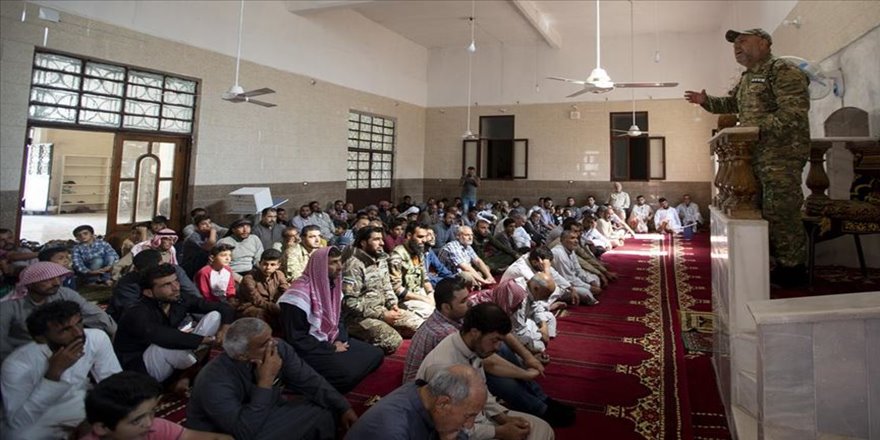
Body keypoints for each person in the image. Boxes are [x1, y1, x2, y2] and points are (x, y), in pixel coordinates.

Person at [685, 28, 810, 286]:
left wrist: (756, 129)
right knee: (763, 208)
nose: (737, 46)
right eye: (734, 44)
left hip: (781, 153)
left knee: (781, 209)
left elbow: (794, 112)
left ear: (764, 43)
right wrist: (705, 101)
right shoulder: (748, 78)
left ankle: (794, 269)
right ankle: (775, 263)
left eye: (743, 40)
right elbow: (732, 104)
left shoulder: (782, 70)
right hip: (757, 153)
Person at [185, 318, 358, 440]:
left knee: (323, 408)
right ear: (242, 356)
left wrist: (343, 407)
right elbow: (244, 432)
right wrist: (265, 382)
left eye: (271, 337)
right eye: (263, 344)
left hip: (265, 414)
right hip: (227, 433)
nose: (273, 344)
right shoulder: (213, 380)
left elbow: (309, 380)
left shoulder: (278, 348)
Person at [415, 303, 555, 440]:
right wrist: (498, 432)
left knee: (541, 428)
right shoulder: (443, 366)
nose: (498, 347)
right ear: (475, 333)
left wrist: (503, 418)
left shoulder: (472, 348)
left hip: (479, 419)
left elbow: (482, 393)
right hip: (458, 430)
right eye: (495, 340)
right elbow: (449, 429)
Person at [1, 300, 121, 439]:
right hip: (40, 417)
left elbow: (113, 384)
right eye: (65, 330)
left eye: (79, 323)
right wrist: (53, 375)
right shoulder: (18, 364)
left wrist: (93, 419)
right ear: (41, 338)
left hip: (82, 406)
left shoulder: (96, 338)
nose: (78, 333)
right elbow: (19, 421)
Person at [278, 247, 383, 393]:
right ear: (320, 266)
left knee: (376, 355)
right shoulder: (295, 298)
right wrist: (331, 348)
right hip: (309, 349)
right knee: (346, 376)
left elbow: (338, 319)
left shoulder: (331, 286)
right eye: (333, 263)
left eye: (340, 261)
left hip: (331, 340)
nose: (340, 267)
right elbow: (297, 339)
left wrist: (339, 339)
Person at [113, 264, 234, 383]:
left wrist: (224, 330)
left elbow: (223, 308)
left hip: (174, 352)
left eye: (176, 281)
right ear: (149, 292)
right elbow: (163, 336)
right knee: (164, 346)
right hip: (140, 367)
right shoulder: (137, 311)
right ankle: (192, 372)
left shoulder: (178, 298)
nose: (176, 287)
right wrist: (209, 340)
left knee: (215, 315)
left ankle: (187, 372)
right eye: (167, 285)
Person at [0, 262, 116, 361]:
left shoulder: (63, 293)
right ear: (30, 283)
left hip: (64, 349)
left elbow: (92, 313)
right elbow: (2, 344)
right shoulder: (8, 306)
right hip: (24, 357)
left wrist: (115, 331)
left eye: (58, 278)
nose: (56, 283)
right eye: (48, 279)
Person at [346, 365, 487, 440]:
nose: (469, 425)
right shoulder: (392, 432)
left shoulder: (425, 394)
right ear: (443, 404)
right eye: (468, 416)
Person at [342, 227, 423, 354]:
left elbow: (387, 286)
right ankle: (357, 337)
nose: (382, 243)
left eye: (382, 239)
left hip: (383, 309)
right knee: (393, 342)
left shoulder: (381, 259)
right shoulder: (353, 265)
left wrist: (393, 304)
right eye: (376, 239)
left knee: (419, 325)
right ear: (363, 242)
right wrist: (381, 315)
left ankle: (385, 328)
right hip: (359, 317)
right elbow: (350, 303)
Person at [83, 371, 232, 440]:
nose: (149, 423)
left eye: (152, 412)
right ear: (102, 428)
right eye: (136, 420)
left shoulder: (154, 427)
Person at [109, 249, 201, 321]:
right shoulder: (127, 284)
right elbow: (132, 314)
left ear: (161, 263)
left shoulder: (174, 271)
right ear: (136, 270)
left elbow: (194, 296)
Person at [388, 222, 436, 320]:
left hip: (420, 292)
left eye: (425, 237)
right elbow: (397, 289)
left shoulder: (418, 252)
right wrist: (425, 299)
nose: (424, 240)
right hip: (405, 298)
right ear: (409, 236)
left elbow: (425, 278)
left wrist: (430, 293)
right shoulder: (397, 256)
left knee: (445, 306)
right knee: (431, 314)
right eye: (420, 237)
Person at [237, 248, 289, 328]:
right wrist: (276, 308)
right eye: (265, 264)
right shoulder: (249, 278)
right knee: (260, 313)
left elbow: (286, 292)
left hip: (272, 305)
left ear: (278, 266)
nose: (268, 267)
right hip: (250, 307)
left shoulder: (279, 274)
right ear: (259, 263)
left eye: (272, 264)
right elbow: (257, 301)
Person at [551, 231, 601, 305]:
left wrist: (590, 281)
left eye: (576, 238)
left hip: (573, 280)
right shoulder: (558, 253)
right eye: (572, 238)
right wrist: (590, 287)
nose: (576, 241)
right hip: (562, 284)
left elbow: (578, 270)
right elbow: (568, 278)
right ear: (563, 240)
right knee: (586, 294)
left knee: (595, 279)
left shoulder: (570, 249)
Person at [180, 214, 218, 279]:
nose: (208, 226)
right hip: (191, 267)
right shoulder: (193, 237)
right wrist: (213, 231)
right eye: (204, 224)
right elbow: (209, 245)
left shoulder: (209, 235)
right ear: (196, 226)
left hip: (204, 264)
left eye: (209, 223)